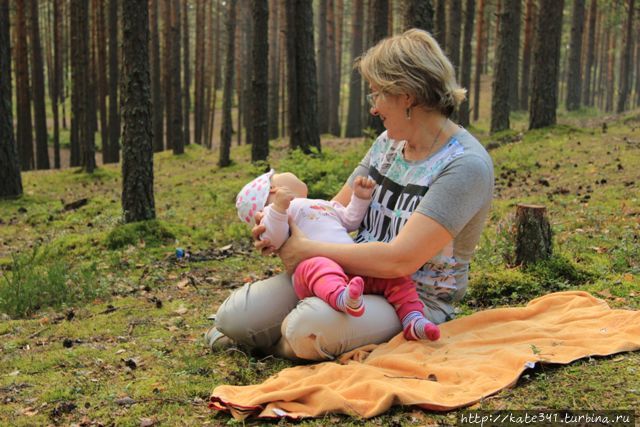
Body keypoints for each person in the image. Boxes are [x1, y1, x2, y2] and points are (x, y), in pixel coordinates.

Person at [206, 28, 494, 361]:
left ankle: (267, 344)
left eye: (377, 95)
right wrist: (280, 226)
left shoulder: (465, 166)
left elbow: (401, 259)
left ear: (407, 95)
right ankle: (268, 337)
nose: (374, 109)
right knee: (233, 317)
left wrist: (305, 249)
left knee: (305, 328)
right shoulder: (388, 144)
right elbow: (332, 210)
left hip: (411, 298)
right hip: (348, 274)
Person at [234, 169, 440, 341]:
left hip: (353, 264)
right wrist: (277, 208)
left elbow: (350, 220)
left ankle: (413, 318)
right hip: (315, 273)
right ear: (273, 188)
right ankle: (341, 297)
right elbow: (274, 238)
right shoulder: (276, 211)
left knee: (394, 277)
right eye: (277, 175)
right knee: (319, 266)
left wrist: (360, 198)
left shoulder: (319, 203)